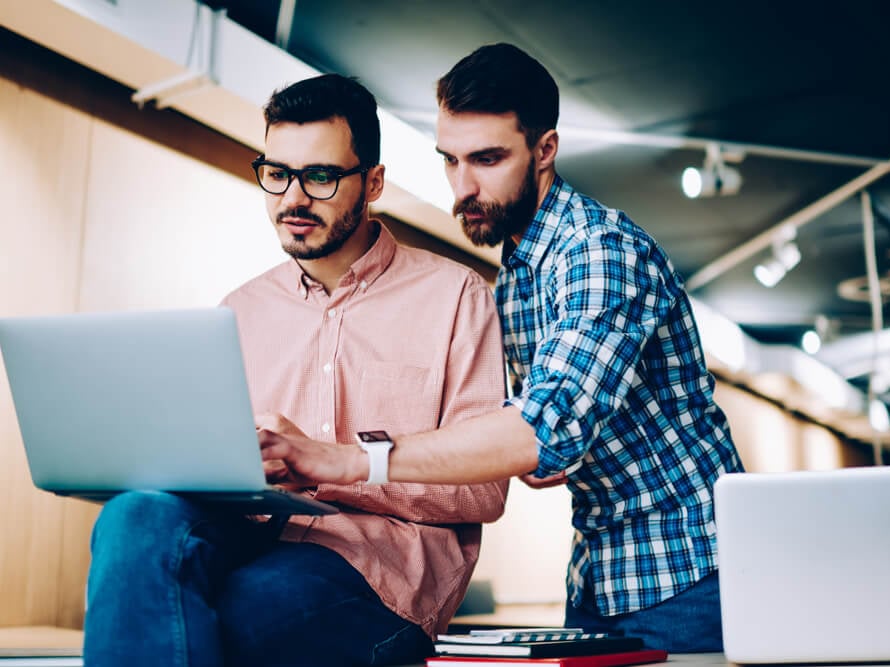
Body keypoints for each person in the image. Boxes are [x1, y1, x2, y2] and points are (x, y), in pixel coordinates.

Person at [258, 44, 745, 653]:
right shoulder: (517, 272)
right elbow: (548, 450)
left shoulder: (598, 251)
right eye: (451, 161)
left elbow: (542, 431)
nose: (464, 187)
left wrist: (345, 459)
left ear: (545, 150)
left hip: (689, 569)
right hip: (600, 571)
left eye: (487, 159)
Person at [83, 73, 508, 667]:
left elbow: (484, 489)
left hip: (379, 579)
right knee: (133, 516)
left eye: (320, 177)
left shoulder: (456, 297)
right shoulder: (239, 310)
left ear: (374, 182)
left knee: (240, 608)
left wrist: (324, 465)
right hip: (251, 539)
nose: (293, 199)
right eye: (277, 173)